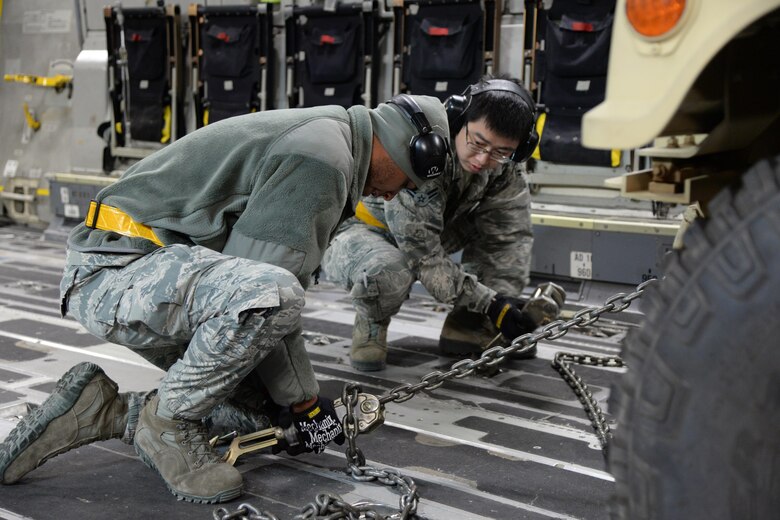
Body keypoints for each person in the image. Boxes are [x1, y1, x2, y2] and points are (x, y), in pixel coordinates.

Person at [0, 94, 451, 503]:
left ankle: (104, 411)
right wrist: (306, 403)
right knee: (270, 297)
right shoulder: (324, 159)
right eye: (406, 181)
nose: (395, 193)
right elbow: (265, 291)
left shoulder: (332, 137)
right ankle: (169, 427)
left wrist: (289, 402)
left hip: (141, 274)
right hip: (113, 273)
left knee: (257, 414)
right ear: (396, 146)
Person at [321, 75, 565, 372]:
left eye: (500, 152)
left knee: (500, 234)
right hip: (365, 233)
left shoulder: (503, 166)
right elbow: (425, 259)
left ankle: (466, 324)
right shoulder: (424, 151)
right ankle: (371, 323)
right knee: (389, 270)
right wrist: (492, 304)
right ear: (459, 118)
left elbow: (509, 237)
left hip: (429, 234)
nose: (482, 159)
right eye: (478, 142)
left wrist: (506, 304)